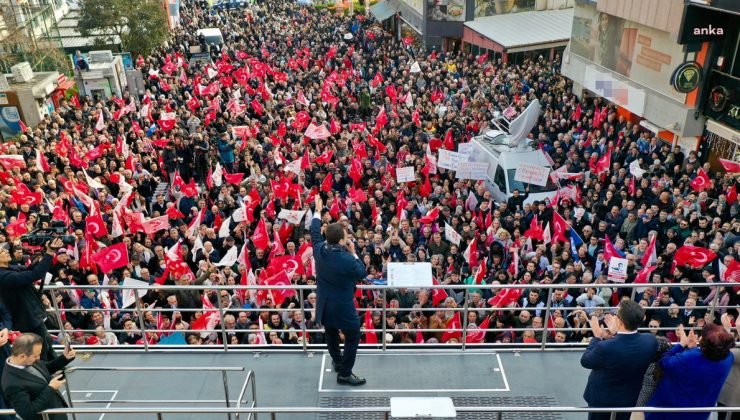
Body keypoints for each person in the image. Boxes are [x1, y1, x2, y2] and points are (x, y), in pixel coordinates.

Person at [311, 195, 368, 386]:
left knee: (331, 332)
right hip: (343, 307)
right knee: (353, 335)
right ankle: (344, 373)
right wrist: (354, 253)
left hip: (325, 304)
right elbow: (362, 272)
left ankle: (337, 360)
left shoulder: (319, 250)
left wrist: (317, 211)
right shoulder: (347, 260)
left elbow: (314, 232)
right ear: (342, 241)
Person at [581, 300, 658, 420]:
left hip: (602, 402)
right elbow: (626, 343)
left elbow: (586, 361)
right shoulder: (650, 340)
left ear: (620, 321)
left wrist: (596, 337)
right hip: (630, 400)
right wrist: (617, 333)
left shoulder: (605, 346)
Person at [646, 324, 735, 420]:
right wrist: (693, 349)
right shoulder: (729, 358)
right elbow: (703, 366)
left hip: (671, 411)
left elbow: (664, 361)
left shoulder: (689, 357)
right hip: (699, 412)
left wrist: (681, 344)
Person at [0, 238, 64, 362]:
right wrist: (49, 254)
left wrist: (43, 255)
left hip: (32, 315)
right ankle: (44, 375)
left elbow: (29, 269)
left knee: (47, 342)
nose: (6, 251)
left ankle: (56, 367)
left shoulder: (10, 268)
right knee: (40, 349)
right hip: (26, 319)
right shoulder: (3, 276)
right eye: (1, 251)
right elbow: (34, 275)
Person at [1, 333, 76, 420]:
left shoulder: (28, 359)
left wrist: (64, 358)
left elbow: (45, 369)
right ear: (22, 356)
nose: (39, 358)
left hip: (56, 411)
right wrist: (51, 388)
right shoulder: (12, 383)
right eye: (36, 356)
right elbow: (28, 413)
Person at [717, 313, 739, 420]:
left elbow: (726, 352)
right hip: (727, 394)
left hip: (734, 398)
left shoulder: (735, 352)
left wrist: (727, 330)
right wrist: (727, 329)